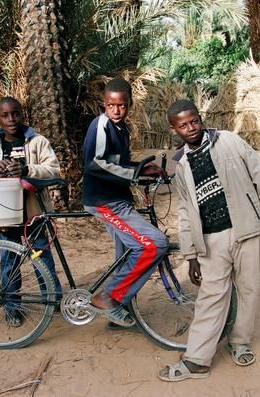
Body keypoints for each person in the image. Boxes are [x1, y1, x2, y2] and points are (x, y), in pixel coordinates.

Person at [158, 99, 260, 381]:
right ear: (173, 129)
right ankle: (198, 360)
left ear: (200, 119)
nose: (191, 128)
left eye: (194, 121)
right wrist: (190, 255)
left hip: (247, 229)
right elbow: (185, 211)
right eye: (183, 125)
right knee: (211, 296)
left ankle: (240, 342)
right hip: (211, 239)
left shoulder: (228, 141)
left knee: (248, 288)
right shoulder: (181, 165)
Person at [0, 96, 62, 327]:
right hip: (4, 217)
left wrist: (28, 168)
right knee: (9, 262)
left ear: (22, 114)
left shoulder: (37, 141)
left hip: (34, 214)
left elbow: (54, 170)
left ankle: (52, 299)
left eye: (16, 114)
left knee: (42, 257)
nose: (11, 119)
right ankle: (12, 306)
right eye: (5, 115)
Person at [82, 78, 169, 327]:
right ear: (103, 104)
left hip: (117, 198)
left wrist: (143, 169)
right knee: (154, 244)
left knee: (128, 252)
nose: (116, 110)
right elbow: (96, 163)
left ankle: (115, 312)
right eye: (111, 105)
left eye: (122, 105)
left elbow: (118, 163)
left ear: (129, 104)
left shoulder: (122, 129)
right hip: (104, 201)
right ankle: (109, 298)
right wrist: (134, 174)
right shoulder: (101, 126)